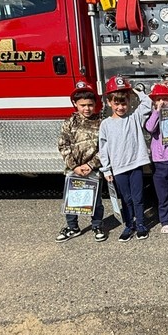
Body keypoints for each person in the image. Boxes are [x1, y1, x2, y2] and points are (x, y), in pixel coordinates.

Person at [98, 75, 152, 242]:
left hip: (135, 164)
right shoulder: (105, 124)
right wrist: (106, 169)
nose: (121, 107)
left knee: (138, 197)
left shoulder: (134, 117)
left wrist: (136, 92)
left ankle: (141, 224)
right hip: (118, 167)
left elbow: (147, 104)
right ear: (109, 103)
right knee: (126, 199)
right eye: (117, 103)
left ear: (129, 102)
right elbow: (103, 147)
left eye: (124, 103)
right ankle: (129, 225)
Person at [55, 83, 107, 242]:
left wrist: (91, 165)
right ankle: (72, 227)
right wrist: (74, 166)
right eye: (83, 105)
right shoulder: (69, 122)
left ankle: (97, 225)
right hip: (74, 170)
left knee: (96, 201)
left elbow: (105, 147)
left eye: (90, 105)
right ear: (75, 104)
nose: (87, 108)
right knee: (72, 200)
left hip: (93, 169)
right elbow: (63, 145)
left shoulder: (101, 122)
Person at [144, 83, 168, 234]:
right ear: (154, 102)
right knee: (162, 196)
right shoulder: (153, 117)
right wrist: (157, 112)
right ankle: (165, 221)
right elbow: (149, 128)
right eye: (158, 99)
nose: (162, 102)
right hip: (158, 163)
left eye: (165, 99)